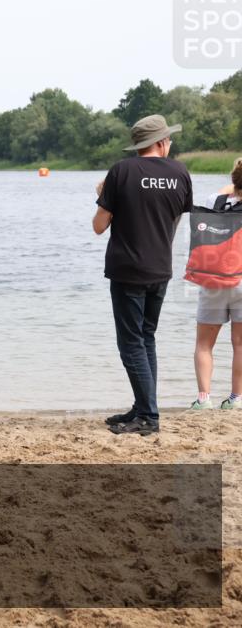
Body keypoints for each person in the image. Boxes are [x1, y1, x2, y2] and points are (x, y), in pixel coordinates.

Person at [93, 115, 193, 435]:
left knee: (131, 343)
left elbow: (99, 226)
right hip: (160, 267)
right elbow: (173, 220)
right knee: (146, 338)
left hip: (128, 269)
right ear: (161, 142)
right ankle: (143, 406)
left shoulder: (121, 171)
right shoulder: (180, 172)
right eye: (169, 140)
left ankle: (149, 415)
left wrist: (103, 195)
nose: (170, 144)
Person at [190, 156, 242, 411]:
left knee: (204, 344)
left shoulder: (216, 201)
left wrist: (235, 185)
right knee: (240, 344)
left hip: (214, 279)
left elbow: (225, 190)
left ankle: (203, 399)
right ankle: (236, 399)